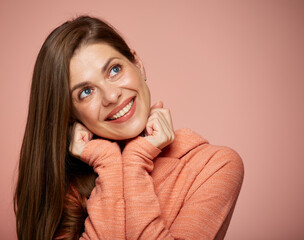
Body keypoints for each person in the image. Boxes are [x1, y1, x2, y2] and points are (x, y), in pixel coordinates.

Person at [14, 16, 244, 240]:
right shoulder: (64, 188)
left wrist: (136, 159)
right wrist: (109, 165)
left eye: (114, 70)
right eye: (86, 92)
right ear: (71, 114)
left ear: (138, 64)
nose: (111, 96)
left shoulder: (215, 166)